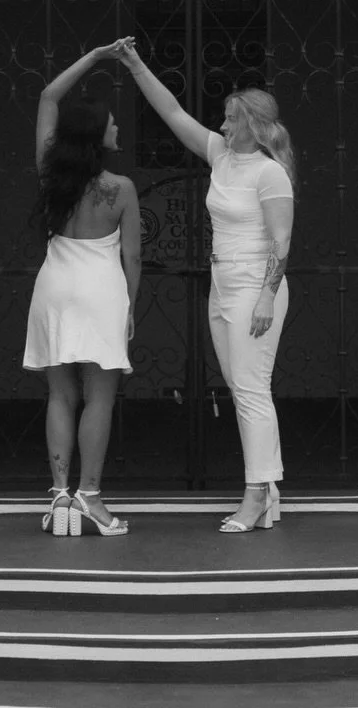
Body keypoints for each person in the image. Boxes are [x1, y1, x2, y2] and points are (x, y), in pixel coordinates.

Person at [115, 39, 294, 533]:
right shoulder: (221, 158)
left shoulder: (269, 173)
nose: (222, 125)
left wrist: (265, 295)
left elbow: (281, 240)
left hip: (255, 284)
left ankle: (255, 495)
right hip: (222, 281)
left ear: (252, 125)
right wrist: (134, 63)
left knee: (252, 389)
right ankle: (268, 489)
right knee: (243, 390)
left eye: (231, 119)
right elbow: (171, 111)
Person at [23, 44, 140, 536]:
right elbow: (131, 257)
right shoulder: (121, 188)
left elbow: (49, 96)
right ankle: (91, 497)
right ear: (97, 136)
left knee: (59, 393)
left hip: (53, 285)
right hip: (100, 290)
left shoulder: (51, 175)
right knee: (100, 395)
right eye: (111, 124)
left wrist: (93, 58)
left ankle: (58, 497)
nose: (117, 128)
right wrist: (130, 306)